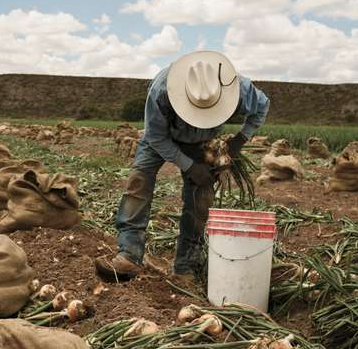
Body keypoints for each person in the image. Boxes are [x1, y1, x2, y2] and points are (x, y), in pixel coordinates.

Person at [95, 51, 270, 280]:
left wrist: (239, 141)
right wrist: (189, 166)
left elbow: (262, 107)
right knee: (139, 182)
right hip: (162, 136)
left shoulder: (240, 90)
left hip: (201, 142)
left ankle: (186, 266)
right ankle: (129, 255)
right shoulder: (162, 90)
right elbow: (156, 138)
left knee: (201, 198)